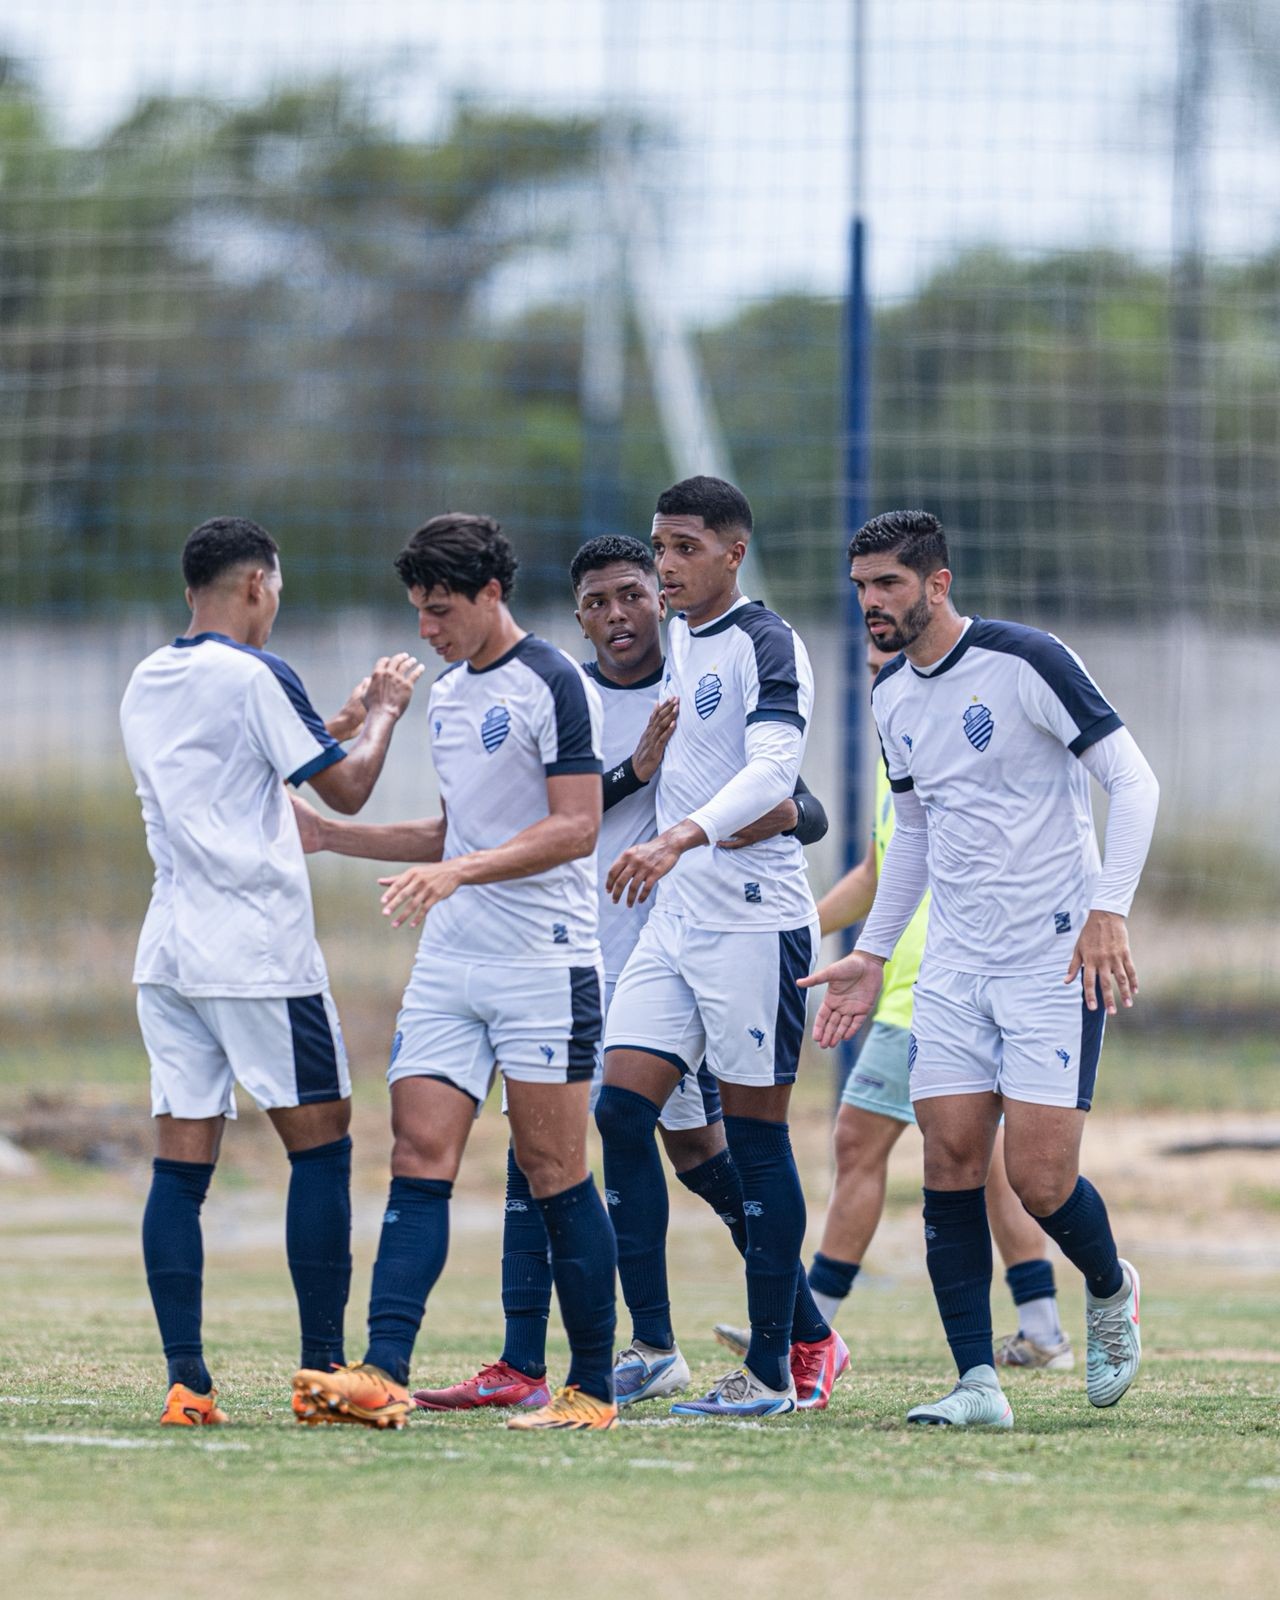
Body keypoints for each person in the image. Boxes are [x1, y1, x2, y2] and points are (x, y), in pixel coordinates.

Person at [411, 534, 829, 1413]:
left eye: (633, 594)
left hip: (674, 950)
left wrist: (754, 820)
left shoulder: (699, 678)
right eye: (598, 603)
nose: (618, 616)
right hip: (573, 956)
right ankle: (539, 1357)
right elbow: (535, 812)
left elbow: (801, 802)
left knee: (709, 1160)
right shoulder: (564, 692)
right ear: (579, 617)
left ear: (661, 597)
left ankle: (805, 1334)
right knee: (547, 1150)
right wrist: (633, 770)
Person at [803, 509, 1159, 1427]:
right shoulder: (890, 696)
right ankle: (976, 1383)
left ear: (938, 582)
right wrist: (873, 954)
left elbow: (1134, 780)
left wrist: (1107, 910)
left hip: (1051, 955)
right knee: (951, 1160)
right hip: (956, 968)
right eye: (860, 588)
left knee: (1040, 1181)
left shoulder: (1026, 660)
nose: (871, 604)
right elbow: (911, 835)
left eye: (887, 584)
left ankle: (1111, 1288)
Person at [290, 513, 621, 1432]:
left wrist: (458, 873)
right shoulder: (449, 695)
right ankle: (383, 1374)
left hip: (543, 964)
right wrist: (331, 836)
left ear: (489, 594)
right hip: (452, 963)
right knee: (414, 1154)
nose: (427, 632)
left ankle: (590, 1389)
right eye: (418, 614)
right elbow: (454, 832)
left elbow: (576, 827)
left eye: (441, 612)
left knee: (554, 1169)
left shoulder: (554, 681)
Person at [119, 515, 421, 1426]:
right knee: (322, 1147)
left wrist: (342, 721)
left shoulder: (148, 677)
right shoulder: (255, 674)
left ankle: (187, 1384)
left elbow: (247, 762)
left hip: (168, 952)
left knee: (181, 1167)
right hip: (255, 951)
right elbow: (347, 790)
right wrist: (387, 717)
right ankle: (324, 1371)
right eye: (277, 589)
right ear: (257, 584)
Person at [715, 637, 1073, 1372]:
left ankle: (807, 1330)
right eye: (873, 675)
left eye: (892, 671)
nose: (883, 685)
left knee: (860, 1144)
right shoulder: (898, 763)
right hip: (915, 988)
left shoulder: (960, 752)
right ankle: (1043, 1329)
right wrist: (797, 928)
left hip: (936, 992)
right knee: (990, 1162)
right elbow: (878, 874)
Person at [603, 476, 847, 1419]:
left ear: (732, 551)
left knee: (754, 1141)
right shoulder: (682, 647)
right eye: (659, 545)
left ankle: (776, 1372)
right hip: (677, 923)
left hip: (755, 923)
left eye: (684, 547)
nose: (665, 564)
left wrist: (680, 834)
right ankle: (655, 1346)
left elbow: (776, 768)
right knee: (623, 1112)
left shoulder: (764, 639)